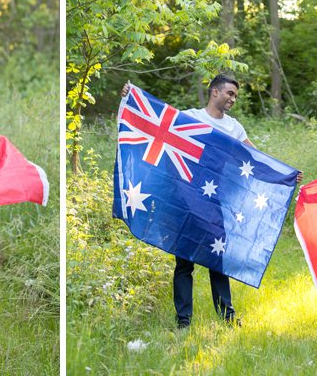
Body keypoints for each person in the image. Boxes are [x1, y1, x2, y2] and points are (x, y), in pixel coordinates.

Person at [122, 74, 302, 329]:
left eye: (235, 96)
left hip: (214, 200)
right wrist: (131, 96)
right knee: (184, 261)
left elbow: (254, 157)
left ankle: (226, 317)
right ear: (214, 92)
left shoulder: (233, 127)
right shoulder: (192, 117)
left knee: (217, 258)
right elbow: (155, 121)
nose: (233, 99)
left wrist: (284, 175)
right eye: (230, 93)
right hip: (184, 198)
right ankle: (183, 319)